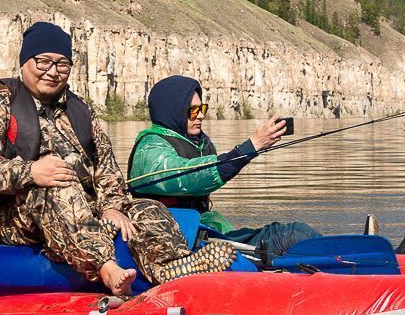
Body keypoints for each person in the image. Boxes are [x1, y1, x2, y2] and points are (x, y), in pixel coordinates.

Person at [0, 23, 237, 297]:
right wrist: (30, 172)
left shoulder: (79, 109)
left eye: (62, 64)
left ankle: (170, 267)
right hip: (16, 214)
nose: (53, 72)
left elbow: (107, 167)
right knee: (59, 184)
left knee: (147, 207)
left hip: (83, 209)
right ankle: (107, 268)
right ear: (24, 62)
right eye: (43, 62)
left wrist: (111, 206)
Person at [126, 75, 321, 260]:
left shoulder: (198, 143)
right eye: (192, 110)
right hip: (173, 238)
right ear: (173, 111)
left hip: (203, 230)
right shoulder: (149, 149)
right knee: (289, 236)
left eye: (202, 108)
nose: (200, 115)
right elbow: (188, 175)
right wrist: (251, 147)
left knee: (297, 233)